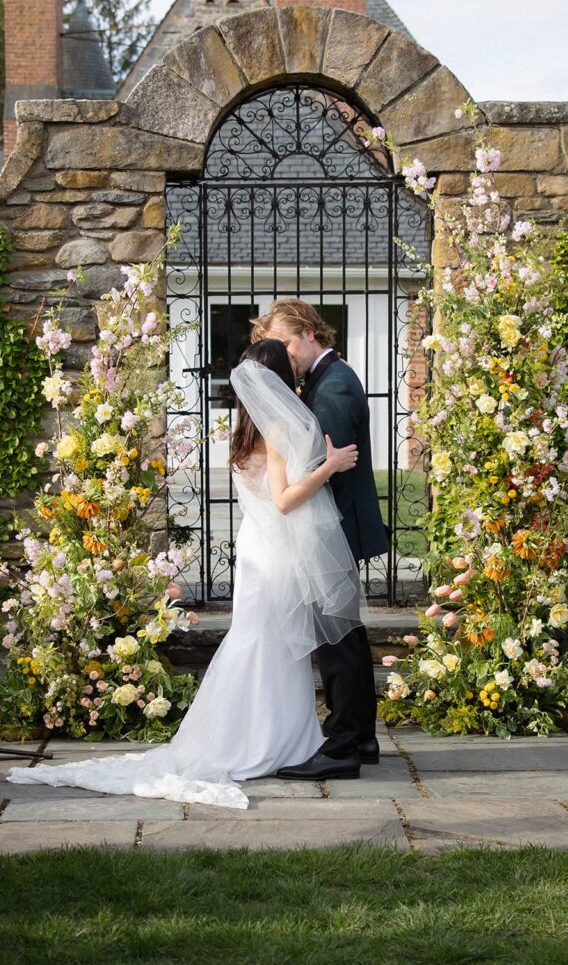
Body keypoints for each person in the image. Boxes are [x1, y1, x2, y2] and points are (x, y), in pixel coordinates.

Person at [6, 339, 364, 808]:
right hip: (274, 553)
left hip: (259, 549)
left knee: (267, 644)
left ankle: (279, 739)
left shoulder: (247, 426)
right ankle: (254, 743)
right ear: (280, 375)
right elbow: (283, 500)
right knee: (267, 645)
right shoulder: (277, 426)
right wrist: (331, 465)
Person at [252, 299, 388, 781]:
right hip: (332, 527)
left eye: (288, 342)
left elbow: (317, 461)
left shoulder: (333, 387)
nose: (286, 355)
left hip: (330, 530)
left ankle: (343, 747)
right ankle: (363, 737)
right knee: (345, 634)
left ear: (311, 333)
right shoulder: (331, 377)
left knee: (336, 642)